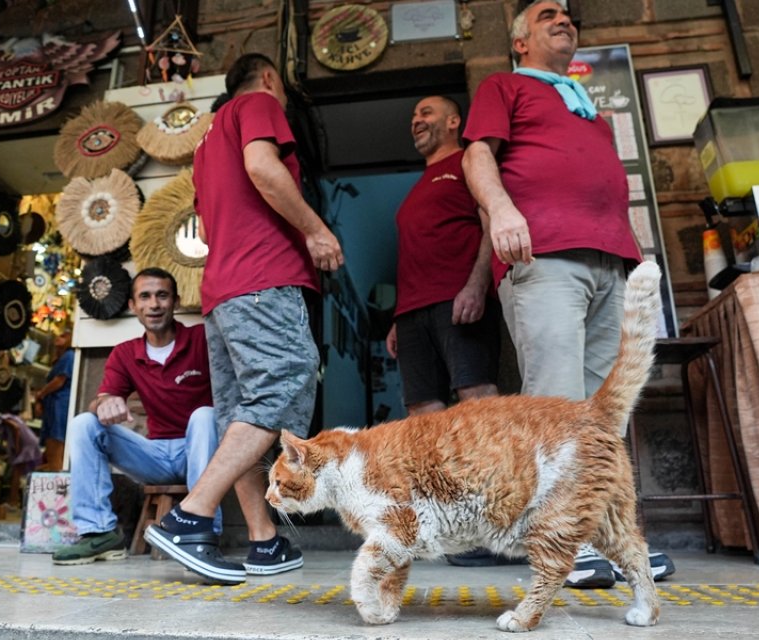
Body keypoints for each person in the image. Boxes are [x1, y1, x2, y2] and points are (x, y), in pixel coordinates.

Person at [461, 0, 674, 588]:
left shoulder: (587, 110)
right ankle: (559, 542)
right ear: (520, 39)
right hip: (547, 256)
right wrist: (501, 209)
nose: (564, 18)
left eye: (569, 14)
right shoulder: (504, 86)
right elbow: (478, 154)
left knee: (606, 414)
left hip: (613, 263)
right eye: (548, 13)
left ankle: (611, 541)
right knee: (555, 406)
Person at [144, 53, 344, 585]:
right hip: (263, 280)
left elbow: (208, 230)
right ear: (271, 77)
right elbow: (262, 167)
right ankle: (191, 515)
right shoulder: (256, 102)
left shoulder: (207, 143)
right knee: (285, 379)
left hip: (223, 293)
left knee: (244, 413)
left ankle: (265, 541)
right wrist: (315, 230)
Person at [50, 268, 220, 565]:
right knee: (84, 423)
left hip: (202, 449)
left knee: (205, 416)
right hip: (154, 456)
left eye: (162, 295)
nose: (154, 304)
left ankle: (203, 528)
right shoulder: (125, 353)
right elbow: (101, 399)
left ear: (176, 302)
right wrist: (105, 402)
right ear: (133, 306)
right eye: (145, 296)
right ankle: (98, 533)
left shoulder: (201, 339)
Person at [386, 95, 499, 418]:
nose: (416, 120)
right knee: (422, 410)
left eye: (426, 112)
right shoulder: (418, 186)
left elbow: (492, 220)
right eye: (413, 115)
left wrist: (477, 286)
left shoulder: (468, 162)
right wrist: (398, 317)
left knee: (476, 396)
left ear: (453, 122)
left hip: (458, 300)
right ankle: (440, 473)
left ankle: (493, 471)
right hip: (411, 312)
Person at [33, 331, 73, 470]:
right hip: (54, 405)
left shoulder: (69, 356)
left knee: (55, 448)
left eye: (63, 336)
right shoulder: (61, 359)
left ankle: (56, 484)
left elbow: (59, 381)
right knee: (53, 451)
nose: (58, 337)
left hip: (60, 404)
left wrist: (41, 394)